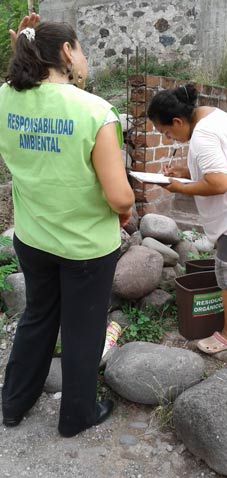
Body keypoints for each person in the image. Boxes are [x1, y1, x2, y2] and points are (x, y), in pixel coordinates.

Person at [0, 16, 135, 437]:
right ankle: (77, 414)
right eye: (81, 47)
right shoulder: (95, 111)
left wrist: (21, 46)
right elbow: (120, 197)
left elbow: (21, 85)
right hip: (85, 248)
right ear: (65, 53)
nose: (85, 56)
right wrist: (126, 209)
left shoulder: (4, 97)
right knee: (83, 328)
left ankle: (13, 404)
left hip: (33, 237)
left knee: (38, 316)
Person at [147, 83, 227, 355]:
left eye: (166, 132)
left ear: (177, 120)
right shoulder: (218, 116)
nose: (169, 137)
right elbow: (221, 162)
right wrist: (183, 170)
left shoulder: (202, 136)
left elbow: (218, 182)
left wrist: (178, 186)